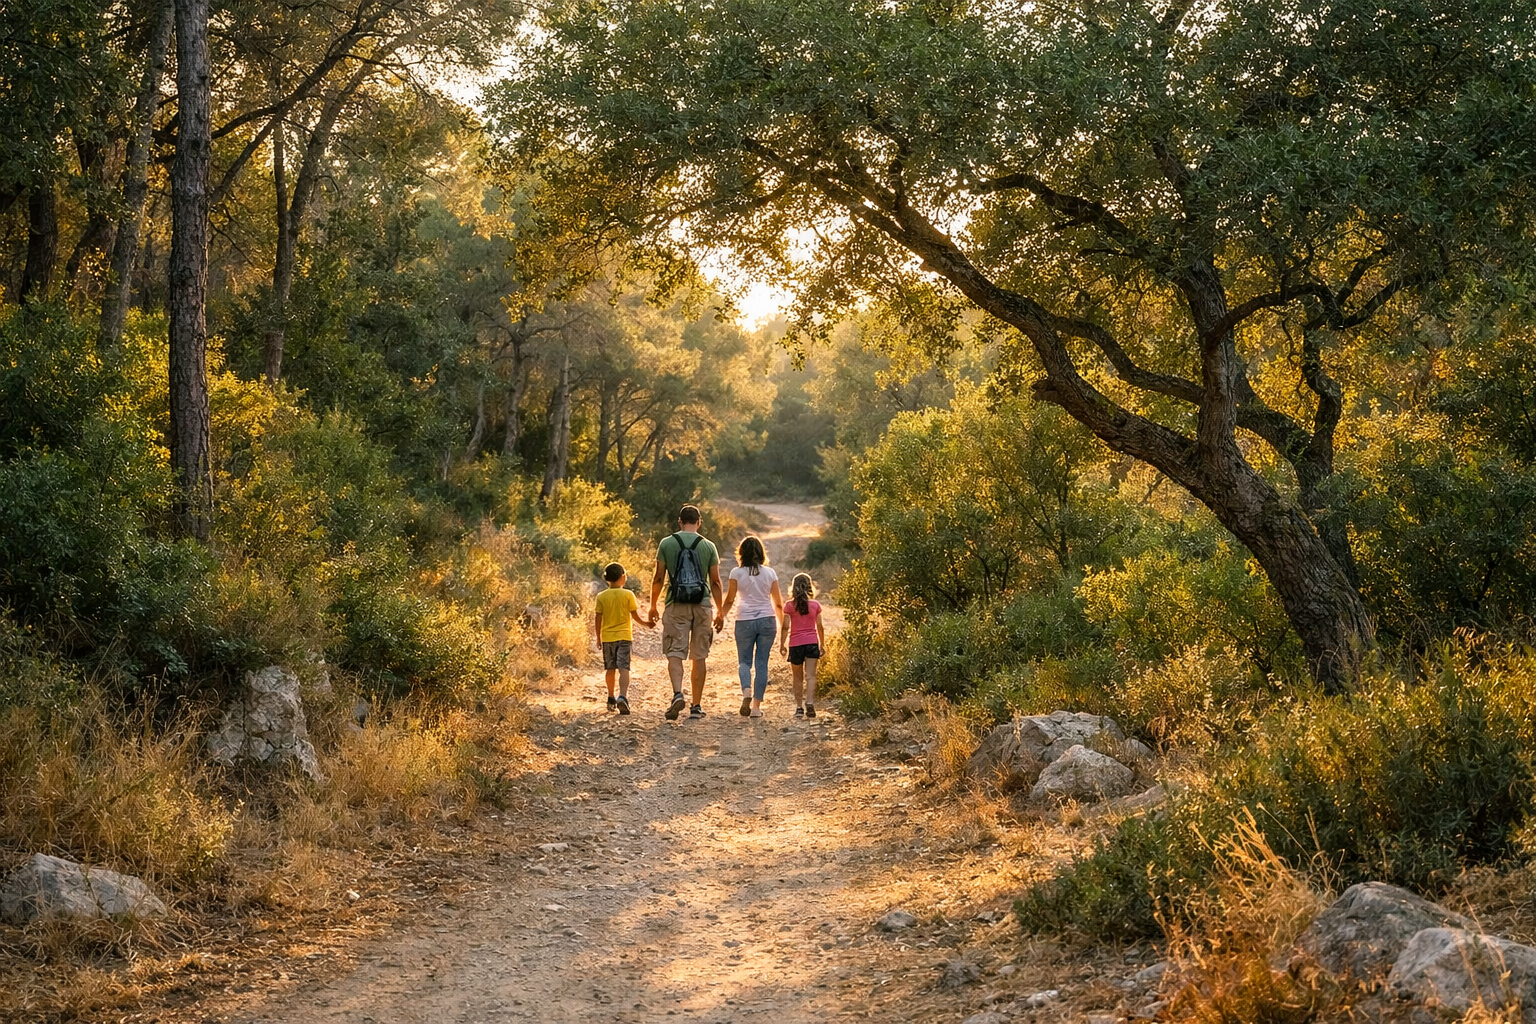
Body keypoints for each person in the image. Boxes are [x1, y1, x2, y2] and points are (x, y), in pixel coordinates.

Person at [648, 504, 723, 720]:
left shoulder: (667, 543)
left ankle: (677, 693)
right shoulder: (709, 546)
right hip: (702, 604)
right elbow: (716, 582)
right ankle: (696, 706)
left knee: (674, 651)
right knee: (699, 656)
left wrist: (653, 605)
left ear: (679, 521)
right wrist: (719, 611)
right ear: (699, 522)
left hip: (675, 603)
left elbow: (659, 578)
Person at [716, 535, 783, 718]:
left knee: (744, 662)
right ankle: (755, 708)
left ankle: (746, 692)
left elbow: (730, 599)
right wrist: (783, 624)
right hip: (767, 619)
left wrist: (721, 615)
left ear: (741, 553)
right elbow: (777, 603)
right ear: (761, 553)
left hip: (744, 620)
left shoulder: (736, 573)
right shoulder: (770, 573)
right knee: (762, 663)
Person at [593, 561, 649, 714]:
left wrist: (598, 637)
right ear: (623, 577)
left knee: (610, 668)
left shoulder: (601, 596)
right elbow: (635, 616)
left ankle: (610, 696)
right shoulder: (628, 595)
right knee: (624, 668)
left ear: (607, 579)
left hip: (607, 638)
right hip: (624, 636)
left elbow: (598, 618)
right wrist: (646, 624)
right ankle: (622, 697)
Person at [780, 573, 826, 718]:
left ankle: (799, 707)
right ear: (809, 586)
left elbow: (785, 627)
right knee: (811, 676)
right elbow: (820, 626)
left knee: (797, 677)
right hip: (812, 643)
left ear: (793, 588)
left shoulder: (789, 606)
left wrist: (782, 644)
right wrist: (822, 644)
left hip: (796, 645)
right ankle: (810, 703)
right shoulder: (815, 605)